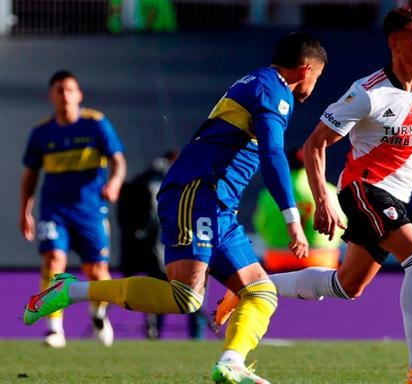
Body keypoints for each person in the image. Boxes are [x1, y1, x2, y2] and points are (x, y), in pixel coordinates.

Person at [23, 32, 327, 384]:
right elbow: (272, 153)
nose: (314, 85)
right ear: (306, 70)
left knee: (261, 292)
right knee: (186, 298)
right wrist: (291, 217)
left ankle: (231, 363)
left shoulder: (261, 84)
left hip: (218, 205)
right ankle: (68, 291)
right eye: (317, 78)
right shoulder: (272, 90)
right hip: (196, 193)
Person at [216, 7, 412, 384]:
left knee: (346, 286)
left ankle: (251, 288)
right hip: (364, 190)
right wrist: (325, 199)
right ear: (395, 44)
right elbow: (315, 144)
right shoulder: (368, 92)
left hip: (395, 199)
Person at [19, 70, 127, 348]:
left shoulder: (96, 124)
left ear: (79, 95)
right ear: (51, 95)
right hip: (56, 210)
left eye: (70, 89)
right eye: (59, 90)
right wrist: (25, 211)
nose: (65, 95)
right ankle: (54, 328)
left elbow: (118, 161)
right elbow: (30, 175)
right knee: (54, 260)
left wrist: (114, 183)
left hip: (91, 211)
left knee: (96, 272)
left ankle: (98, 314)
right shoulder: (42, 133)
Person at [118, 151, 207, 339]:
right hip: (174, 248)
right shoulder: (161, 182)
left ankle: (164, 334)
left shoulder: (155, 180)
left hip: (165, 249)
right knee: (185, 291)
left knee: (177, 292)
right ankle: (189, 336)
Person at [253, 148, 343, 272]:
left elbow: (260, 223)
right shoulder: (330, 192)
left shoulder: (269, 194)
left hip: (278, 258)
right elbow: (341, 224)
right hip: (322, 258)